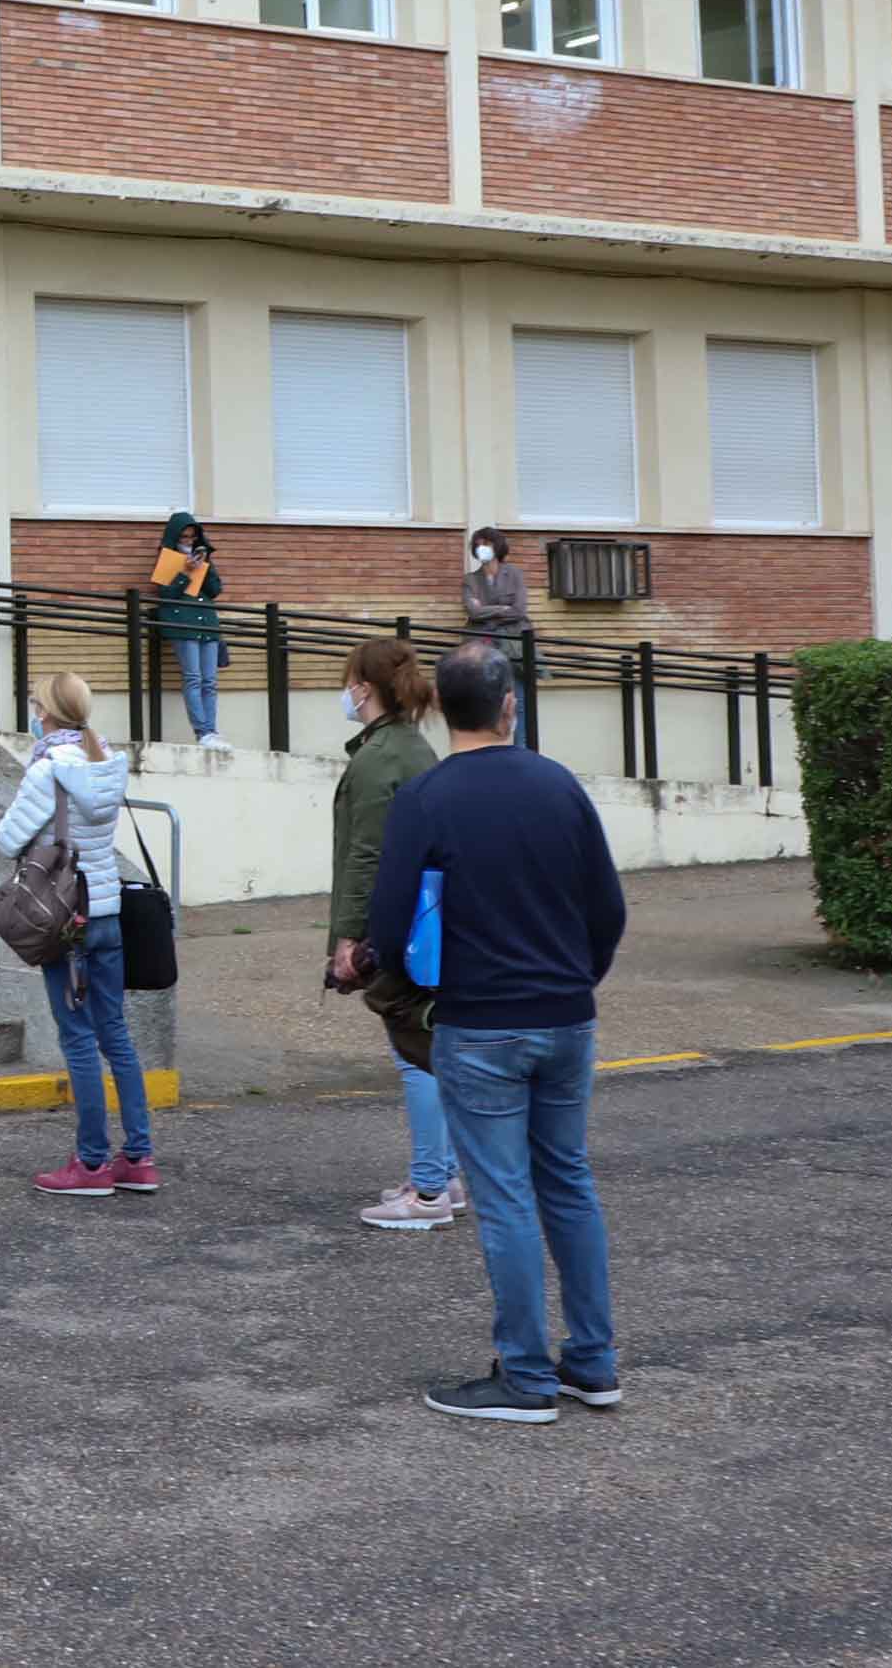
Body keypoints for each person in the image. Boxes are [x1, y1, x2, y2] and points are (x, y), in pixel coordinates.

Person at [372, 639, 627, 1425]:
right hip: (565, 1016)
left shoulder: (425, 797)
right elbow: (608, 909)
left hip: (480, 1023)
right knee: (568, 1182)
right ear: (509, 703)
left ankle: (523, 1375)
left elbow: (387, 927)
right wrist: (572, 977)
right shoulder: (559, 786)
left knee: (505, 1196)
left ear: (443, 708)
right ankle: (592, 1361)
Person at [0, 671, 153, 1196]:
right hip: (107, 912)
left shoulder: (49, 769)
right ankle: (138, 1156)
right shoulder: (105, 760)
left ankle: (90, 1164)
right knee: (116, 1034)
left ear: (45, 711)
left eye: (35, 702)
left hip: (66, 916)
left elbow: (8, 837)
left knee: (79, 1039)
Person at [328, 638, 461, 1233]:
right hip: (425, 926)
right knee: (430, 1050)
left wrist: (347, 939)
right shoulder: (413, 748)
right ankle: (443, 1177)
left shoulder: (378, 758)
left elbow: (366, 856)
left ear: (365, 687)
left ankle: (430, 1189)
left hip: (399, 929)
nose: (347, 690)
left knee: (416, 1055)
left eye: (351, 680)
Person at [150, 511, 228, 749]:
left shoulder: (202, 557)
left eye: (192, 537)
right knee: (193, 678)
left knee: (210, 681)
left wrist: (204, 566)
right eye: (183, 537)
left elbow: (215, 590)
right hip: (183, 625)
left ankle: (212, 730)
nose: (188, 541)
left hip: (207, 625)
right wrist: (184, 573)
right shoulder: (167, 560)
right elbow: (165, 595)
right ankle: (202, 732)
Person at [462, 525, 538, 745]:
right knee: (486, 700)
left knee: (519, 701)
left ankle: (521, 749)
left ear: (497, 546)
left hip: (514, 644)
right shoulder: (470, 580)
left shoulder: (514, 574)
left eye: (485, 544)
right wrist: (502, 609)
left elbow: (519, 610)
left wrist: (486, 609)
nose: (481, 549)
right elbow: (473, 611)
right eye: (477, 545)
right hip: (484, 645)